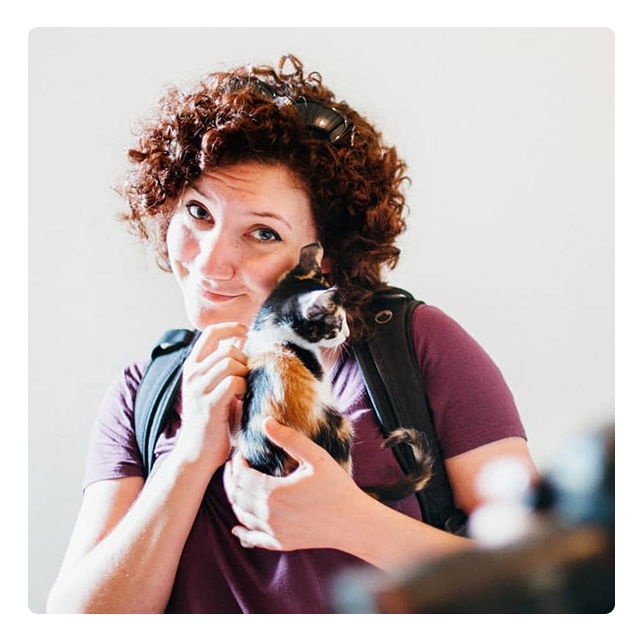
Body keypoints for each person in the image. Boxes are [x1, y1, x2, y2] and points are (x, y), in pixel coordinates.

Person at [46, 55, 538, 614]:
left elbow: (548, 583)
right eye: (198, 212)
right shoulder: (144, 391)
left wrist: (350, 521)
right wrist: (189, 457)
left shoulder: (416, 347)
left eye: (261, 232)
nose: (212, 262)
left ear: (322, 260)